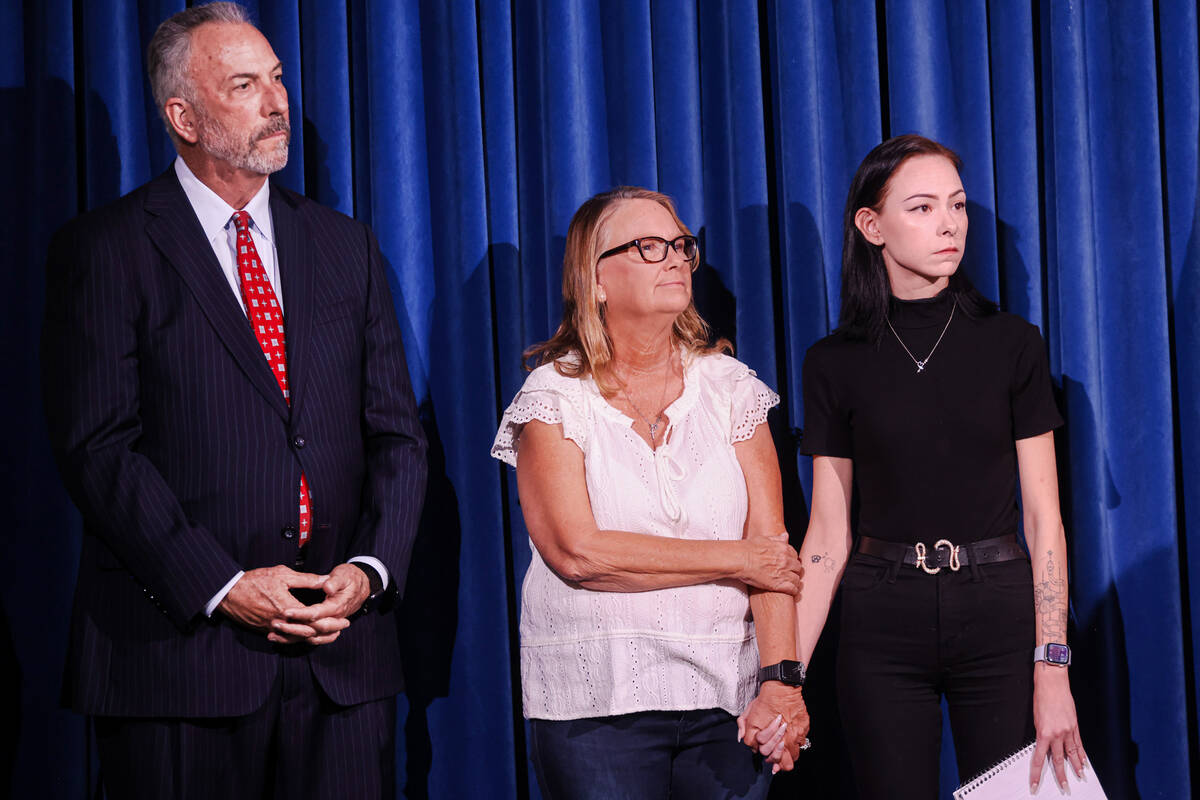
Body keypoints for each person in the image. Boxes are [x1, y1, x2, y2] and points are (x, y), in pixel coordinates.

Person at [40, 3, 426, 797]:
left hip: (340, 659)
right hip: (180, 660)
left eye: (278, 77)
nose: (278, 100)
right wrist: (220, 585)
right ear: (182, 114)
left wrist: (370, 568)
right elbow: (98, 447)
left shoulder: (343, 245)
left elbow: (398, 435)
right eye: (245, 83)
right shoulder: (108, 248)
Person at [781, 134, 1086, 798]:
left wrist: (1053, 665)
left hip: (999, 608)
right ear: (872, 226)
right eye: (921, 208)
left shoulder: (1012, 345)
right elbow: (827, 539)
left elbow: (1044, 520)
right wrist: (785, 676)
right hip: (881, 615)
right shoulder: (833, 361)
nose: (949, 224)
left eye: (958, 205)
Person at [490, 186, 810, 799]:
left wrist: (781, 681)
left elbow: (775, 558)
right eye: (647, 246)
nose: (674, 258)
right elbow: (578, 554)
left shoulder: (731, 389)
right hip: (596, 709)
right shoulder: (553, 397)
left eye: (680, 246)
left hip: (728, 698)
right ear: (596, 279)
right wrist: (734, 559)